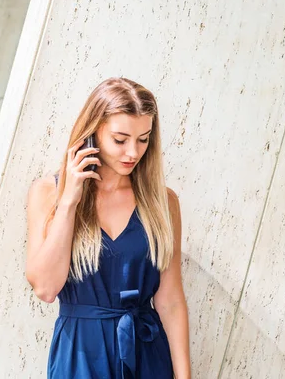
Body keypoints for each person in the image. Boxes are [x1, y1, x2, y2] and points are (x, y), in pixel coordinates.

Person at [26, 77, 190, 378]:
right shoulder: (47, 194)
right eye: (120, 139)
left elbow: (170, 300)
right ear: (93, 132)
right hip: (80, 356)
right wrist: (69, 203)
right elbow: (46, 288)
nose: (133, 152)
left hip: (147, 354)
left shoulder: (163, 203)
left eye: (143, 139)